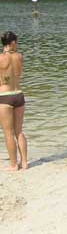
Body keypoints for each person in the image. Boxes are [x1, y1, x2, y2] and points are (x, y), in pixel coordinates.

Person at [0, 31, 27, 171]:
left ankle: (13, 165)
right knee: (19, 131)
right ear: (13, 43)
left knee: (8, 133)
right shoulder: (20, 57)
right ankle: (24, 163)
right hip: (19, 94)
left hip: (5, 96)